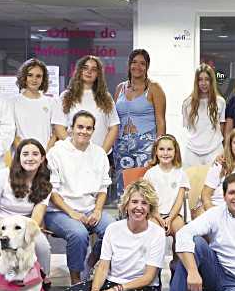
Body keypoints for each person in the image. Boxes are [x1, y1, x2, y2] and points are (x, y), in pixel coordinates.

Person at [54, 180, 165, 291]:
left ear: (150, 208)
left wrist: (115, 290)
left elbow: (148, 277)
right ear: (126, 205)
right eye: (134, 202)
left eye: (144, 203)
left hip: (142, 289)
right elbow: (103, 266)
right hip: (111, 283)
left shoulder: (157, 233)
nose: (139, 207)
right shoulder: (113, 229)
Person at [45, 111, 115, 285]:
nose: (84, 131)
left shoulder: (99, 153)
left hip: (89, 208)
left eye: (88, 128)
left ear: (93, 130)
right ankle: (76, 281)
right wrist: (72, 213)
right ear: (71, 128)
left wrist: (98, 210)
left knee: (113, 229)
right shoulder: (56, 152)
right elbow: (51, 191)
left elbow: (102, 188)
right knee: (79, 233)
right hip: (59, 211)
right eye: (80, 127)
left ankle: (92, 261)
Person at [0, 138, 53, 275]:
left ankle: (42, 281)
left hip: (25, 227)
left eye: (35, 154)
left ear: (42, 158)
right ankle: (3, 283)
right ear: (18, 157)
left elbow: (36, 219)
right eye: (25, 154)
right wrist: (7, 229)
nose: (30, 158)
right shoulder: (2, 176)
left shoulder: (45, 183)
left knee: (42, 246)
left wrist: (21, 233)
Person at [114, 49, 166, 196]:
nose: (138, 66)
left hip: (146, 147)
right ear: (129, 65)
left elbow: (161, 122)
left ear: (147, 67)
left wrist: (158, 150)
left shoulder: (154, 88)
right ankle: (124, 218)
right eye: (134, 62)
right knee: (124, 190)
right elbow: (114, 120)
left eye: (142, 63)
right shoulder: (120, 88)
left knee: (144, 189)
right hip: (122, 146)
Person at [53, 55, 119, 153]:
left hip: (100, 157)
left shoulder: (106, 97)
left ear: (98, 74)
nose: (89, 71)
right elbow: (59, 126)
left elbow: (114, 127)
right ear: (79, 71)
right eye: (85, 68)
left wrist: (102, 154)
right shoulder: (65, 96)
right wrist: (73, 149)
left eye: (94, 69)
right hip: (72, 155)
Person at [143, 134, 190, 264]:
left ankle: (177, 265)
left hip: (174, 215)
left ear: (175, 152)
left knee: (181, 233)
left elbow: (179, 201)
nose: (165, 153)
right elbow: (149, 201)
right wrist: (159, 218)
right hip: (155, 214)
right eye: (162, 149)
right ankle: (153, 268)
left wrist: (170, 218)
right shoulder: (150, 174)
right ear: (156, 152)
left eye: (169, 149)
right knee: (153, 231)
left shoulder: (180, 173)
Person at [181, 63, 226, 166]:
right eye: (200, 79)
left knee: (215, 181)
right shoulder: (187, 103)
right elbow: (189, 128)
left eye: (207, 79)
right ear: (196, 82)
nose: (203, 83)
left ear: (212, 81)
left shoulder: (220, 102)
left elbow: (222, 128)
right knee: (191, 181)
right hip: (192, 151)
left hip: (215, 149)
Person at [12, 58, 59, 151]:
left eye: (38, 76)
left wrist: (45, 154)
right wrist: (24, 153)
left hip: (46, 156)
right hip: (21, 156)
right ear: (24, 77)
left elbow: (55, 133)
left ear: (43, 79)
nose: (34, 79)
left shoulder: (51, 102)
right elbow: (12, 134)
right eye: (30, 75)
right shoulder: (12, 103)